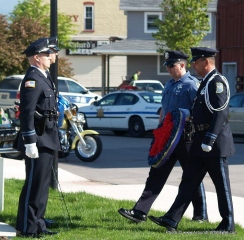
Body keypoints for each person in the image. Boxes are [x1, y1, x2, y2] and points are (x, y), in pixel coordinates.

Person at [148, 47, 235, 232]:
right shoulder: (205, 82)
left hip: (214, 144)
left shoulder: (217, 82)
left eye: (196, 61)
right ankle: (172, 219)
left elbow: (220, 114)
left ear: (206, 62)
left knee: (222, 185)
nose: (193, 65)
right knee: (188, 181)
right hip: (199, 141)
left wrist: (210, 139)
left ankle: (228, 224)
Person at [118, 50, 208, 224]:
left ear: (182, 65)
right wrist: (159, 132)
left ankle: (201, 214)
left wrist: (186, 115)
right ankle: (140, 212)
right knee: (156, 174)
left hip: (186, 138)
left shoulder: (192, 85)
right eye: (166, 65)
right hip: (168, 138)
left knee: (192, 175)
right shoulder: (168, 85)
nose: (168, 68)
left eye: (171, 65)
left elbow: (199, 111)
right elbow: (164, 111)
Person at [16, 38, 61, 237]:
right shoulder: (32, 79)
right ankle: (27, 227)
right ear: (37, 57)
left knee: (42, 186)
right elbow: (27, 112)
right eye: (46, 54)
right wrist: (30, 141)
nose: (51, 57)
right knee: (35, 185)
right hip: (38, 139)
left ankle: (38, 224)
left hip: (48, 137)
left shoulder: (43, 76)